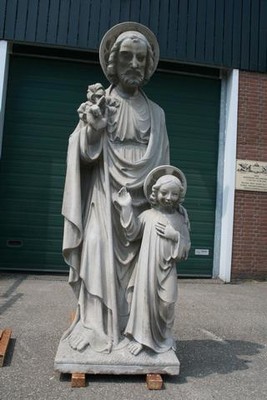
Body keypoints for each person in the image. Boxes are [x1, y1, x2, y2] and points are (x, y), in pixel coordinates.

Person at [61, 22, 170, 353]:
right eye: (127, 57)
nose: (134, 64)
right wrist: (93, 129)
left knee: (143, 271)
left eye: (141, 58)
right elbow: (80, 152)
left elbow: (164, 167)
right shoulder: (100, 105)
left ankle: (138, 333)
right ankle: (95, 327)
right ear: (112, 62)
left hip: (141, 207)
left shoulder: (157, 114)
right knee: (93, 247)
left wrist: (161, 211)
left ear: (148, 65)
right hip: (103, 197)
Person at [115, 166, 191, 355]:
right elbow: (132, 233)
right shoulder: (148, 216)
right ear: (156, 194)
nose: (169, 198)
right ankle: (141, 339)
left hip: (167, 269)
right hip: (147, 269)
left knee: (167, 303)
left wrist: (174, 236)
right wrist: (125, 207)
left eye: (174, 194)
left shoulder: (181, 219)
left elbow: (186, 248)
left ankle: (165, 337)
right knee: (144, 302)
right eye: (165, 193)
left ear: (179, 196)